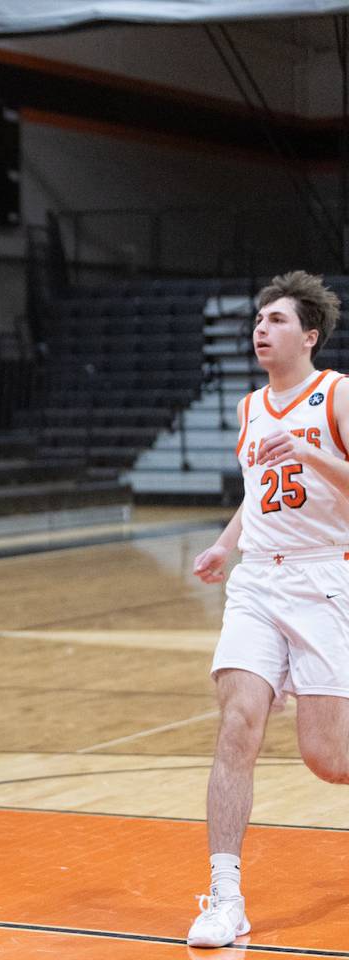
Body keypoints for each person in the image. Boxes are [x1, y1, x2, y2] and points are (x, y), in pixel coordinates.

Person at [188, 271, 348, 949]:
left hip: (325, 580)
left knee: (327, 759)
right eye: (258, 320)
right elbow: (258, 493)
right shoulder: (250, 407)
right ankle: (225, 896)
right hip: (257, 583)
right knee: (238, 723)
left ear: (309, 334)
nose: (261, 329)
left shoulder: (337, 394)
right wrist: (227, 545)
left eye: (277, 320)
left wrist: (314, 450)